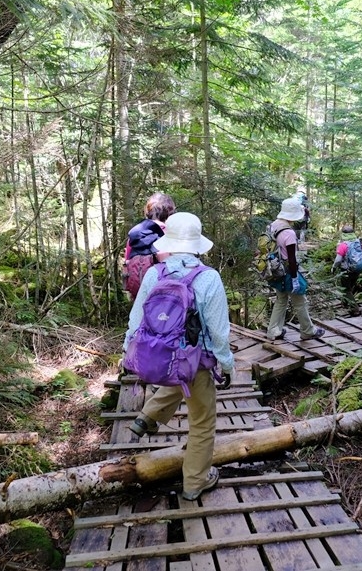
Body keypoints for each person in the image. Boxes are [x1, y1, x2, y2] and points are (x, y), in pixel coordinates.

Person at [124, 212, 234, 501]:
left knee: (176, 378)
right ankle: (195, 482)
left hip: (159, 357)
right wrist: (227, 364)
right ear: (197, 244)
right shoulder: (208, 278)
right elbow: (219, 331)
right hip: (195, 363)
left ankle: (147, 416)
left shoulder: (154, 273)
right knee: (202, 422)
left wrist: (128, 352)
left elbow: (136, 320)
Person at [266, 197, 324, 341]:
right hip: (287, 271)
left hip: (275, 269)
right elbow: (291, 258)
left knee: (281, 300)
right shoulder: (289, 233)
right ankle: (307, 331)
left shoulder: (273, 225)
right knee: (300, 301)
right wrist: (294, 278)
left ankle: (273, 331)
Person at [122, 193, 176, 299]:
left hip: (138, 294)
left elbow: (127, 264)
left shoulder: (134, 235)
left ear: (148, 212)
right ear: (170, 213)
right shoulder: (169, 233)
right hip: (164, 296)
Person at [331, 225, 362, 314]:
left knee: (346, 289)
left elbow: (338, 260)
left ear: (343, 234)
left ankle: (354, 309)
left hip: (346, 270)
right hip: (358, 269)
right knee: (350, 286)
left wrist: (333, 267)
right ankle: (345, 303)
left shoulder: (343, 245)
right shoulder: (360, 242)